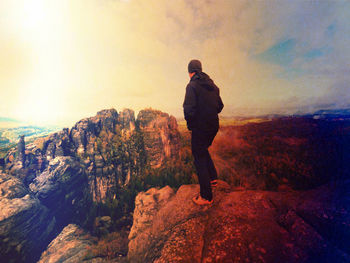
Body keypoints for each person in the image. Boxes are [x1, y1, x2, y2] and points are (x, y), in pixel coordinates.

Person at [183, 59, 224, 205]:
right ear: (200, 70)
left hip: (200, 128)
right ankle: (213, 178)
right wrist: (209, 112)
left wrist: (191, 125)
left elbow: (188, 110)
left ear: (190, 72)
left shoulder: (192, 86)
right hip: (213, 126)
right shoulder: (213, 86)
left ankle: (206, 196)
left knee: (198, 156)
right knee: (202, 149)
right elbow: (220, 106)